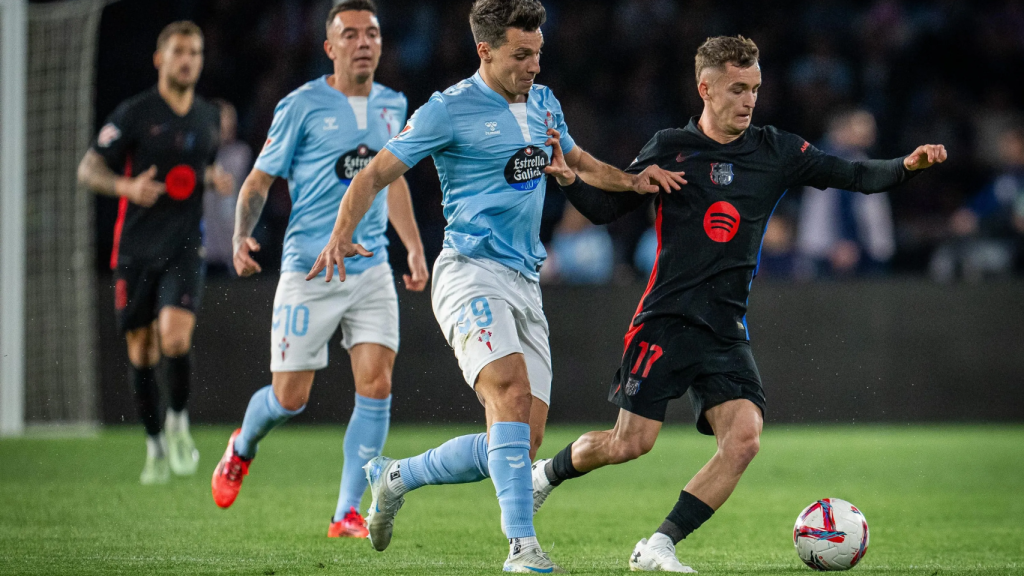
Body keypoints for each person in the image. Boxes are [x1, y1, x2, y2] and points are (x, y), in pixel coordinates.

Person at [533, 35, 946, 572]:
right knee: (629, 444)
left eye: (754, 88)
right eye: (736, 89)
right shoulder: (670, 147)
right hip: (664, 321)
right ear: (704, 88)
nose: (749, 100)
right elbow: (607, 210)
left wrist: (906, 166)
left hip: (724, 328)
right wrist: (568, 179)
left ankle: (658, 545)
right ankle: (546, 474)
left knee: (745, 439)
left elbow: (853, 175)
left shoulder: (775, 150)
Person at [307, 0, 680, 570]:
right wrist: (339, 235)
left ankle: (396, 476)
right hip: (468, 270)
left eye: (538, 53)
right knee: (507, 391)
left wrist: (633, 181)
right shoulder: (447, 110)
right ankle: (521, 547)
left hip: (525, 279)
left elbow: (577, 160)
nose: (533, 65)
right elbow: (377, 171)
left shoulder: (545, 103)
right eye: (521, 54)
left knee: (518, 444)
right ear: (485, 50)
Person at [209, 0, 428, 541]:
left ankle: (346, 512)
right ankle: (241, 446)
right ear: (330, 48)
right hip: (310, 268)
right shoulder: (300, 104)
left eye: (371, 33)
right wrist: (241, 235)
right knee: (291, 398)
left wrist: (413, 247)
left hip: (372, 263)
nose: (362, 42)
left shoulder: (393, 104)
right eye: (349, 34)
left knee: (376, 383)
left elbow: (392, 179)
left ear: (381, 43)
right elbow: (260, 180)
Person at [77, 21, 231, 485]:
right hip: (136, 249)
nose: (189, 60)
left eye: (196, 52)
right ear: (160, 59)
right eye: (180, 51)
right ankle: (154, 446)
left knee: (175, 338)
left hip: (185, 247)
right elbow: (89, 168)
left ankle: (179, 421)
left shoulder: (208, 116)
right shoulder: (135, 112)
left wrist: (210, 179)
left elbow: (190, 167)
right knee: (142, 351)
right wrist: (126, 185)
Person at [796, 109, 896, 278]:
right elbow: (841, 204)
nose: (871, 131)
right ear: (845, 130)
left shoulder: (853, 157)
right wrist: (845, 241)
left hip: (854, 248)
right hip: (833, 251)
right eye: (863, 126)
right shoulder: (832, 160)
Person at [203, 99, 252, 275]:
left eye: (231, 119)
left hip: (228, 250)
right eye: (223, 119)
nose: (228, 125)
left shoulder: (240, 154)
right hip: (201, 249)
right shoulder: (197, 155)